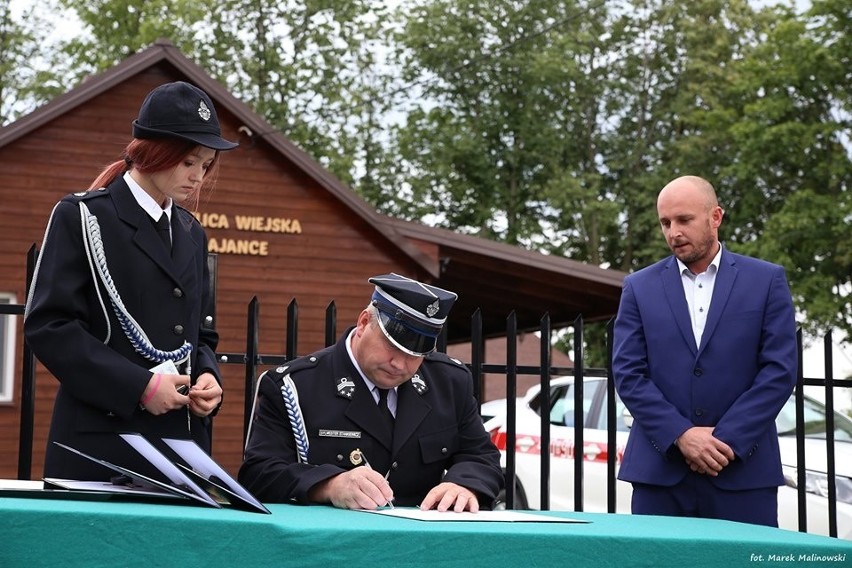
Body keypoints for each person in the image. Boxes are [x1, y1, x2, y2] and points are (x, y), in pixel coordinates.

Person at [24, 81, 238, 481]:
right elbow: (49, 327)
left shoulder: (192, 234)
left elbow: (200, 336)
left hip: (180, 449)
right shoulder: (83, 217)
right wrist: (138, 386)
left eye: (205, 165)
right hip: (102, 445)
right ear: (153, 151)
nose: (198, 177)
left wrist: (209, 377)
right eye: (189, 162)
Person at [612, 175, 798, 527]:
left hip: (743, 470)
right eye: (665, 223)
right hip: (660, 472)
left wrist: (723, 442)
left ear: (716, 217)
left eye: (684, 220)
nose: (673, 232)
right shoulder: (638, 287)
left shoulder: (766, 280)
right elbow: (628, 374)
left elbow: (779, 371)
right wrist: (681, 436)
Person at [238, 273, 504, 511]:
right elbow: (259, 473)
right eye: (392, 347)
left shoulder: (449, 382)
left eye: (415, 354)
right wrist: (329, 486)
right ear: (364, 323)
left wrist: (464, 485)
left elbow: (480, 456)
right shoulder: (295, 385)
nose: (400, 364)